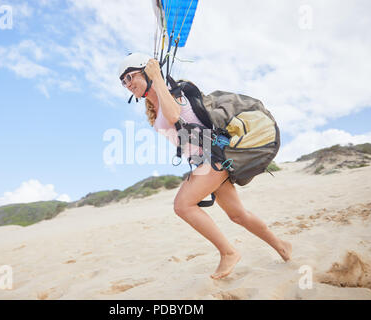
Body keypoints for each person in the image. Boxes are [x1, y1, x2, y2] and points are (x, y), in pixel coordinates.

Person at [118, 53, 292, 280]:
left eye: (130, 77)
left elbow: (173, 116)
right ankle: (282, 246)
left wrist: (158, 78)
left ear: (147, 71)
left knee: (182, 205)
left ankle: (228, 252)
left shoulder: (174, 95)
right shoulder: (155, 105)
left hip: (213, 157)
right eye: (123, 82)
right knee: (238, 215)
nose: (127, 85)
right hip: (203, 162)